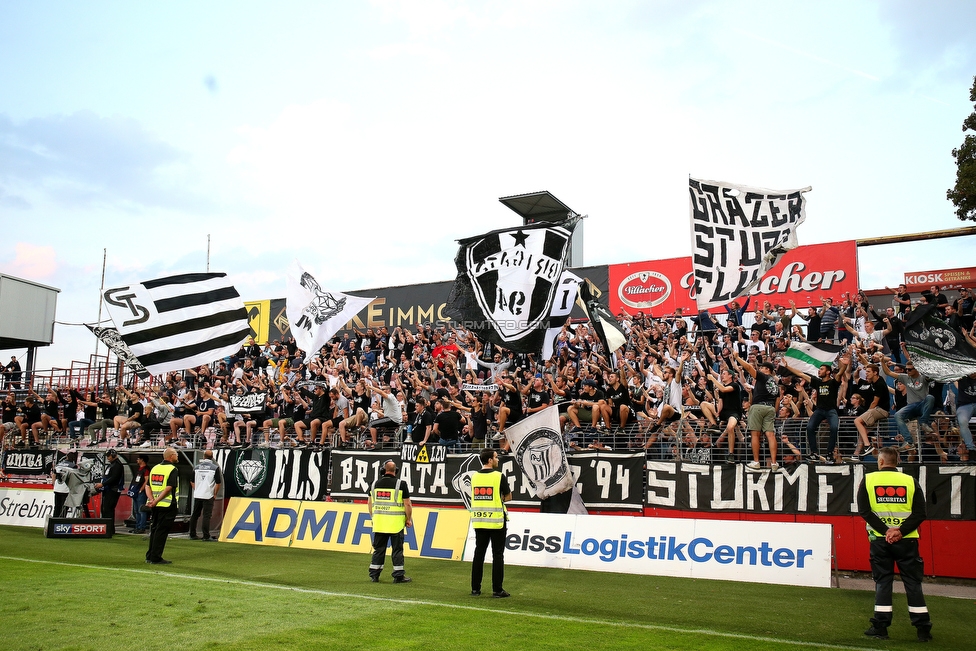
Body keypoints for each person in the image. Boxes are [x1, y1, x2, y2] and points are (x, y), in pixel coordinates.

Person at [856, 447, 932, 642]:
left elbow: (864, 511)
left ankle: (880, 627)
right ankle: (923, 629)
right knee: (913, 583)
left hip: (880, 541)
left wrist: (886, 531)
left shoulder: (869, 480)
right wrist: (900, 531)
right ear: (897, 462)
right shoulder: (910, 481)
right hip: (907, 541)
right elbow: (920, 513)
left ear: (880, 462)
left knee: (883, 582)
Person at [469, 447, 512, 598]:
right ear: (489, 460)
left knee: (478, 554)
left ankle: (475, 589)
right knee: (498, 555)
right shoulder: (499, 476)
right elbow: (508, 497)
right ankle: (497, 589)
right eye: (495, 457)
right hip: (496, 521)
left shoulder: (474, 477)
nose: (497, 459)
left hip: (480, 520)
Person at [367, 459, 412, 583]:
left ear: (383, 470)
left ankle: (374, 575)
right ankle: (398, 575)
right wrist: (408, 519)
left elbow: (370, 503)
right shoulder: (401, 484)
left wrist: (374, 517)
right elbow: (407, 504)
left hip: (379, 523)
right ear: (395, 471)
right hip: (396, 524)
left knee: (379, 549)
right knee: (397, 550)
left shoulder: (374, 484)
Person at [145, 447, 180, 565]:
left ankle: (150, 555)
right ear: (171, 456)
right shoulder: (172, 469)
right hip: (167, 504)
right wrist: (157, 500)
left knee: (154, 529)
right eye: (176, 454)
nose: (177, 456)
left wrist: (152, 500)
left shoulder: (155, 468)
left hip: (154, 505)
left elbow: (147, 486)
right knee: (161, 531)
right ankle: (156, 557)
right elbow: (169, 487)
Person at [189, 449, 222, 541]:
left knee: (195, 514)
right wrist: (214, 493)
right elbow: (218, 483)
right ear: (212, 457)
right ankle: (206, 536)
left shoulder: (196, 467)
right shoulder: (214, 468)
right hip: (208, 494)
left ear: (204, 456)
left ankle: (192, 534)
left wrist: (197, 489)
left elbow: (191, 481)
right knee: (206, 515)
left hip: (198, 494)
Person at [94, 449, 125, 522]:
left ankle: (109, 529)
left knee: (108, 510)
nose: (108, 457)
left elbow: (114, 478)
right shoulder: (112, 464)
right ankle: (107, 528)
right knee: (105, 509)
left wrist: (102, 484)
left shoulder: (117, 465)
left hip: (113, 489)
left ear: (113, 455)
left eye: (109, 456)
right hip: (108, 489)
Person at [129, 455, 150, 533]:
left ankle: (142, 527)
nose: (137, 460)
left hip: (141, 493)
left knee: (141, 510)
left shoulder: (146, 470)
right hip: (135, 492)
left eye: (138, 459)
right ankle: (137, 526)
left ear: (142, 460)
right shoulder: (139, 469)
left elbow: (146, 480)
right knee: (136, 511)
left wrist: (141, 489)